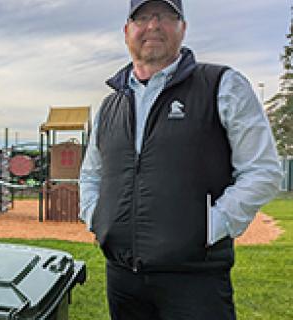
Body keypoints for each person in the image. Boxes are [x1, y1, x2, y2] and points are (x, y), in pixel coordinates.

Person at [78, 1, 283, 319]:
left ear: (183, 27)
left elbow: (263, 171)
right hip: (122, 278)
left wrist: (209, 228)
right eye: (142, 17)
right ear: (127, 31)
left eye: (166, 16)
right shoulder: (110, 106)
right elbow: (91, 174)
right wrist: (98, 219)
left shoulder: (222, 85)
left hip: (195, 279)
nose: (153, 25)